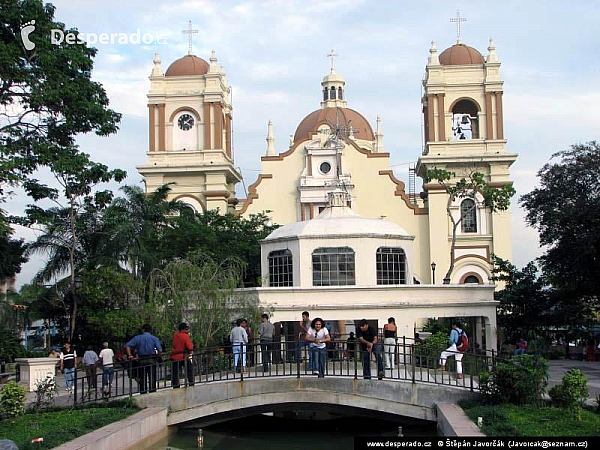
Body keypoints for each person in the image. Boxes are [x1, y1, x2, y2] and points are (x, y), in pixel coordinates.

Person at [125, 324, 163, 394]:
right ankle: (152, 391)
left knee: (142, 377)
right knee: (152, 377)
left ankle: (143, 391)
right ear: (150, 330)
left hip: (141, 359)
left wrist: (130, 355)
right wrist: (158, 357)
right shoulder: (154, 338)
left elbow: (127, 345)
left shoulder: (138, 338)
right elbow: (160, 350)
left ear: (143, 330)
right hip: (152, 358)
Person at [170, 322, 194, 388]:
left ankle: (175, 385)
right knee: (190, 369)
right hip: (183, 356)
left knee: (175, 372)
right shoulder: (185, 336)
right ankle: (191, 383)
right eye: (186, 329)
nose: (187, 330)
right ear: (182, 329)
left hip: (174, 356)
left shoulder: (175, 335)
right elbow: (190, 347)